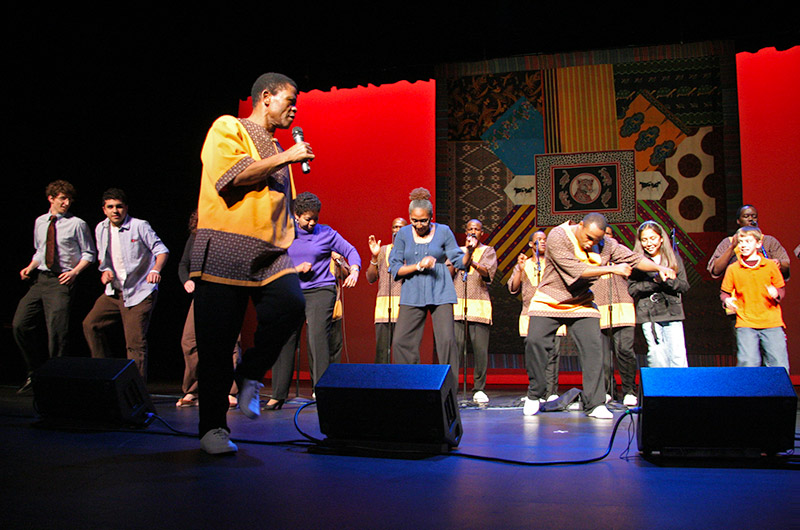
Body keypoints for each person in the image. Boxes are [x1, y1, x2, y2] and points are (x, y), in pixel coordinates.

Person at [191, 72, 312, 454]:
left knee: (292, 307)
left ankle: (248, 374)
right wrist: (289, 155)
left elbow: (278, 209)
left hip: (270, 254)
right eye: (288, 100)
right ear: (265, 97)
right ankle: (213, 429)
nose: (294, 109)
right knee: (216, 344)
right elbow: (232, 176)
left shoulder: (278, 150)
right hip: (226, 247)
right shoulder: (230, 127)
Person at [524, 213, 676, 419]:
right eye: (588, 237)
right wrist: (613, 270)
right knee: (535, 342)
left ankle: (595, 403)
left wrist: (660, 267)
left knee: (594, 348)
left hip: (581, 302)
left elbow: (634, 258)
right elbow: (575, 269)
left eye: (596, 240)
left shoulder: (606, 244)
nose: (590, 243)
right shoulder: (558, 236)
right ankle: (535, 393)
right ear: (580, 226)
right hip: (549, 298)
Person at [268, 192, 361, 409]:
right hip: (291, 290)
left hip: (320, 290)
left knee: (317, 338)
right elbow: (270, 263)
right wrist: (294, 268)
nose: (311, 223)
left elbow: (351, 251)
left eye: (315, 219)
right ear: (296, 215)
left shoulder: (326, 233)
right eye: (307, 218)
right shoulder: (284, 233)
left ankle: (321, 391)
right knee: (285, 339)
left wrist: (354, 269)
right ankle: (278, 394)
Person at [12, 180, 96, 393]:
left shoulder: (77, 223)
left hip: (62, 281)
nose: (66, 203)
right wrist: (30, 267)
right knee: (20, 324)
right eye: (62, 199)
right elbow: (41, 250)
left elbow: (89, 253)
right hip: (41, 279)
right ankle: (35, 372)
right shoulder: (41, 221)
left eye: (69, 200)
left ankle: (55, 379)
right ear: (51, 198)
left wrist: (75, 272)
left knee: (57, 331)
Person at [82, 188, 169, 382]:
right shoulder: (101, 228)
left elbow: (162, 250)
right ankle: (103, 375)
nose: (115, 211)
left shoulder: (139, 226)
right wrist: (105, 272)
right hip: (114, 292)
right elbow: (104, 260)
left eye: (119, 206)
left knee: (135, 343)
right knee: (91, 324)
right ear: (104, 209)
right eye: (110, 207)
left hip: (139, 292)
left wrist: (155, 270)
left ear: (126, 208)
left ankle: (136, 390)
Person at [389, 188, 470, 386]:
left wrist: (470, 251)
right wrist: (418, 266)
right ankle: (409, 383)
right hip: (412, 290)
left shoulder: (443, 231)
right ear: (410, 218)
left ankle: (448, 388)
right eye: (415, 221)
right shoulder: (403, 234)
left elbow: (460, 262)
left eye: (423, 221)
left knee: (447, 342)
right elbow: (395, 268)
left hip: (440, 289)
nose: (419, 225)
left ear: (431, 218)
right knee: (401, 341)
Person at [176, 211, 240, 408]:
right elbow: (183, 264)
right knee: (189, 341)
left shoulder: (231, 234)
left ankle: (230, 391)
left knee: (229, 343)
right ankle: (192, 390)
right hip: (202, 293)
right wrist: (186, 280)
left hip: (227, 292)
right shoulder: (195, 236)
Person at [720, 226, 789, 371]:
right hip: (746, 322)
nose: (743, 245)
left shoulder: (770, 266)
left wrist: (776, 293)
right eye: (741, 242)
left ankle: (779, 393)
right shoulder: (733, 269)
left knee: (778, 362)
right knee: (748, 363)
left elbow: (781, 289)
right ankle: (748, 393)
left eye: (748, 241)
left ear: (758, 244)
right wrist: (727, 300)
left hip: (771, 322)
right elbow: (724, 292)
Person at [508, 230, 563, 401]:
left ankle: (551, 393)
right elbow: (513, 288)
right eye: (539, 240)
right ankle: (536, 392)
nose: (543, 242)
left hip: (553, 313)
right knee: (535, 356)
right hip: (530, 314)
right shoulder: (524, 264)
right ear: (531, 244)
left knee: (553, 355)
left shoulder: (554, 265)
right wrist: (520, 269)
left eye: (545, 240)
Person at [628, 221, 690, 369]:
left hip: (672, 312)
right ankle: (660, 390)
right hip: (649, 313)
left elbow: (684, 285)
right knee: (657, 355)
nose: (649, 243)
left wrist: (667, 281)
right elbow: (632, 289)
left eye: (652, 238)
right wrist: (654, 282)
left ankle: (681, 390)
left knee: (677, 355)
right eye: (644, 239)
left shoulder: (673, 258)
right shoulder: (637, 262)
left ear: (661, 238)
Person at [452, 219, 497, 404]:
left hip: (479, 304)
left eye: (476, 230)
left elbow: (488, 274)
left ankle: (479, 388)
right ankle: (452, 386)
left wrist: (472, 260)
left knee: (479, 350)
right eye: (470, 229)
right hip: (457, 305)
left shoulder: (488, 251)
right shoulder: (456, 251)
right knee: (456, 348)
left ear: (481, 233)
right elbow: (449, 273)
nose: (473, 232)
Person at [596, 226, 639, 406]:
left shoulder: (622, 256)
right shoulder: (590, 259)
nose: (605, 238)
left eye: (608, 235)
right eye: (601, 235)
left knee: (625, 351)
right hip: (598, 309)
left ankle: (629, 390)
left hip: (623, 307)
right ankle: (607, 390)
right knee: (602, 356)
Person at [707, 205, 790, 281]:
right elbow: (716, 270)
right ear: (738, 221)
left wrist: (778, 263)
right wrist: (732, 248)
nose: (751, 219)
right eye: (746, 216)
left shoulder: (769, 241)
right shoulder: (728, 242)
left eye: (754, 217)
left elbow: (786, 265)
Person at [366, 217, 407, 363]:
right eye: (395, 227)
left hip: (404, 307)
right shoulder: (383, 250)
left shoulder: (411, 252)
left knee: (402, 350)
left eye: (401, 227)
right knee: (382, 351)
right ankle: (381, 383)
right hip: (384, 307)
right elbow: (371, 278)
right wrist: (374, 257)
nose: (397, 230)